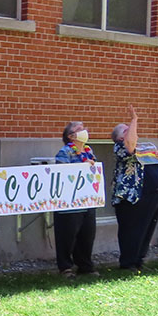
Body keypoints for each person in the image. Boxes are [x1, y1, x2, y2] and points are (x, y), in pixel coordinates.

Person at [111, 105, 158, 271]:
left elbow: (154, 158)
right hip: (132, 196)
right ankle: (128, 263)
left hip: (154, 193)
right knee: (132, 228)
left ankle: (139, 261)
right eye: (125, 129)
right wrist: (134, 119)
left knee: (146, 229)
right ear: (119, 138)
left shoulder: (144, 146)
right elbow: (130, 145)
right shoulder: (121, 147)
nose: (129, 128)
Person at [53, 120, 99, 279]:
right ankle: (65, 267)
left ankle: (85, 266)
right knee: (67, 236)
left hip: (87, 200)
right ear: (71, 136)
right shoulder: (64, 152)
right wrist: (82, 166)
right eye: (79, 129)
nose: (84, 131)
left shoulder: (88, 150)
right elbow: (62, 173)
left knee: (87, 235)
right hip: (69, 204)